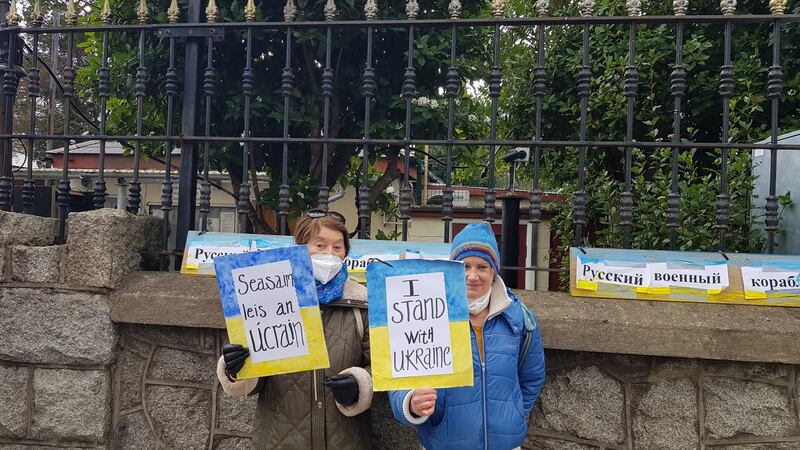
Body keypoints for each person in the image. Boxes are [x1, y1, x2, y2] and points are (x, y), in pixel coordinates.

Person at [216, 211, 372, 450]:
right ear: (300, 247)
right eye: (319, 245)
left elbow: (382, 364)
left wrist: (359, 385)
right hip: (280, 439)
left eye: (337, 247)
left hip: (346, 441)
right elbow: (250, 376)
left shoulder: (362, 303)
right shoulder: (267, 296)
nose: (329, 254)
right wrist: (235, 367)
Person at [389, 223, 546, 450]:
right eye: (465, 266)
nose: (473, 276)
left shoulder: (520, 319)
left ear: (494, 272)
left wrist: (515, 413)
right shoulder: (425, 315)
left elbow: (532, 376)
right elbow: (400, 376)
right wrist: (410, 404)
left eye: (482, 267)